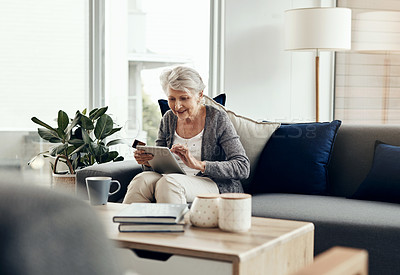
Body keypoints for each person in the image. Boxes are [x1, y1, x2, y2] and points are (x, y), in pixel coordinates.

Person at [123, 66, 250, 204]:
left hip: (211, 183)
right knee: (140, 180)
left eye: (184, 98)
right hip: (171, 178)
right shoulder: (168, 118)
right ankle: (128, 225)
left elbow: (242, 167)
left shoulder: (218, 119)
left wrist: (199, 164)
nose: (177, 106)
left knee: (169, 183)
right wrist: (147, 161)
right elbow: (159, 164)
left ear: (199, 95)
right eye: (172, 99)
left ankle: (175, 226)